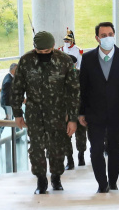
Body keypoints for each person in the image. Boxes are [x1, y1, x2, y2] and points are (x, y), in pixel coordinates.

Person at [11, 31, 79, 194]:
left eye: (47, 52)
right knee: (36, 148)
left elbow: (74, 91)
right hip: (35, 113)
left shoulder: (64, 60)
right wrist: (18, 113)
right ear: (34, 48)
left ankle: (56, 178)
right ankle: (41, 181)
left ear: (53, 47)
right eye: (40, 52)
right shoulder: (26, 61)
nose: (43, 54)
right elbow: (17, 89)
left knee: (57, 148)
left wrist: (73, 118)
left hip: (58, 113)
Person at [78, 22, 119, 193]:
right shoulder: (88, 58)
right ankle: (102, 184)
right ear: (97, 38)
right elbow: (83, 88)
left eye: (110, 34)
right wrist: (81, 112)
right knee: (96, 149)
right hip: (94, 113)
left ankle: (113, 181)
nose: (107, 38)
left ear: (114, 35)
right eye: (103, 35)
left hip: (118, 113)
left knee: (115, 148)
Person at [59, 29, 87, 170]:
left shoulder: (82, 75)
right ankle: (69, 159)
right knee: (66, 135)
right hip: (66, 110)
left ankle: (81, 156)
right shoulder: (61, 77)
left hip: (80, 109)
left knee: (81, 134)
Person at [0, 62, 17, 141]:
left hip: (10, 104)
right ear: (12, 71)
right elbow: (7, 96)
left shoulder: (9, 77)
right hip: (8, 104)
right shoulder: (8, 82)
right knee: (11, 118)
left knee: (16, 118)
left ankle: (17, 136)